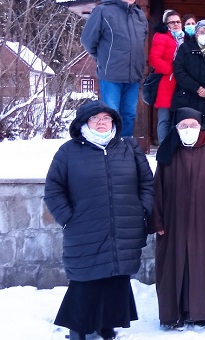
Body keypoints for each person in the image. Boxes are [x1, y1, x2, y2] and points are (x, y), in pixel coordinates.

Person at [44, 100, 154, 340]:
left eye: (107, 118)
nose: (102, 123)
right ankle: (79, 329)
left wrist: (142, 208)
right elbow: (53, 189)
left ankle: (107, 325)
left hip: (125, 225)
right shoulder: (68, 151)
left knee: (116, 277)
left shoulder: (129, 148)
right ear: (84, 123)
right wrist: (67, 219)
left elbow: (147, 182)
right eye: (96, 119)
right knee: (86, 280)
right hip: (84, 228)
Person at [149, 107, 205, 330]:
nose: (189, 130)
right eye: (183, 126)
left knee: (203, 265)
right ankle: (174, 313)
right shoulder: (168, 152)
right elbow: (156, 189)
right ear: (176, 128)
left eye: (193, 126)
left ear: (201, 127)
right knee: (174, 266)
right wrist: (157, 221)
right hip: (173, 223)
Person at [80, 0, 147, 137]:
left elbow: (141, 42)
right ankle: (111, 149)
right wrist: (102, 59)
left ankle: (125, 149)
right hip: (111, 76)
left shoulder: (139, 15)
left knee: (129, 115)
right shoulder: (103, 11)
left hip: (134, 76)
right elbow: (88, 40)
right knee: (110, 114)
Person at [172, 20, 205, 134]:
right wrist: (196, 88)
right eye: (202, 32)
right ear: (196, 33)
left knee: (204, 134)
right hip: (187, 98)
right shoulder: (185, 48)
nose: (204, 35)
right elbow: (179, 71)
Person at [149, 10, 181, 143]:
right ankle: (163, 147)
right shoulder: (161, 36)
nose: (176, 24)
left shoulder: (183, 37)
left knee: (178, 117)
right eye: (172, 22)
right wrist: (171, 70)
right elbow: (154, 58)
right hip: (166, 82)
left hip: (181, 82)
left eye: (178, 21)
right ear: (166, 24)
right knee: (165, 118)